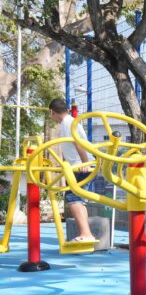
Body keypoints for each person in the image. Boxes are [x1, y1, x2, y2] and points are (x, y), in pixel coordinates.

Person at [49, 98, 96, 243]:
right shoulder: (67, 122)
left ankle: (86, 234)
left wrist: (85, 163)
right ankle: (86, 234)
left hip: (81, 166)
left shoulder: (68, 123)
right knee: (77, 199)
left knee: (73, 198)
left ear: (52, 112)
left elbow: (78, 143)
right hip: (76, 165)